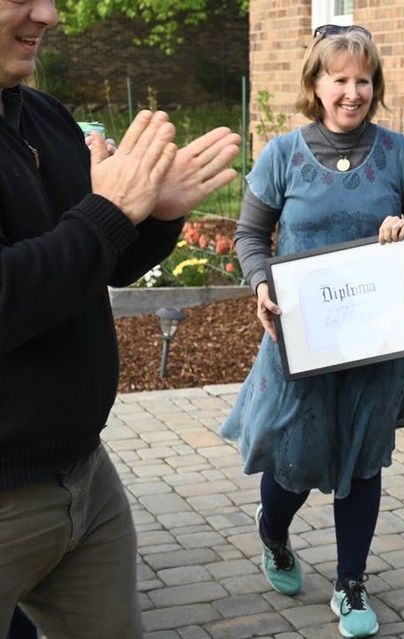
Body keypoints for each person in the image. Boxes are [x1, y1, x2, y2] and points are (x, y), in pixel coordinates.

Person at [0, 1, 242, 637]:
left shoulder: (43, 115)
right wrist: (108, 213)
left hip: (84, 479)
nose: (47, 14)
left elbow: (95, 261)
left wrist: (152, 216)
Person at [220, 25, 404, 639]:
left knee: (364, 462)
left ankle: (350, 585)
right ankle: (273, 532)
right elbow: (250, 236)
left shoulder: (400, 153)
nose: (353, 92)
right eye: (340, 79)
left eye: (363, 80)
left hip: (376, 343)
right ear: (315, 85)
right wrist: (261, 285)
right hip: (301, 339)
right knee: (293, 461)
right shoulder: (282, 155)